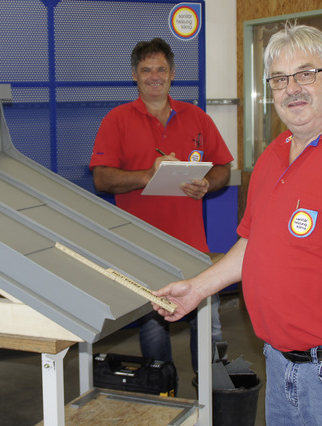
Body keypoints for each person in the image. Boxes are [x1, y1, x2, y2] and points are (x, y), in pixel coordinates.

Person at [153, 24, 322, 424]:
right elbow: (253, 244)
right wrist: (196, 289)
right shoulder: (273, 156)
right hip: (281, 364)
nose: (291, 88)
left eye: (305, 74)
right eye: (279, 80)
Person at [89, 37, 233, 378]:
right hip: (142, 249)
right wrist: (146, 175)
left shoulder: (196, 117)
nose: (154, 76)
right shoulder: (117, 120)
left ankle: (211, 393)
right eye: (146, 70)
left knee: (206, 325)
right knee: (153, 327)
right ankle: (162, 389)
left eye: (161, 70)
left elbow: (223, 167)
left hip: (192, 248)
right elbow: (101, 180)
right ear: (135, 76)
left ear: (172, 75)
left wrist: (208, 184)